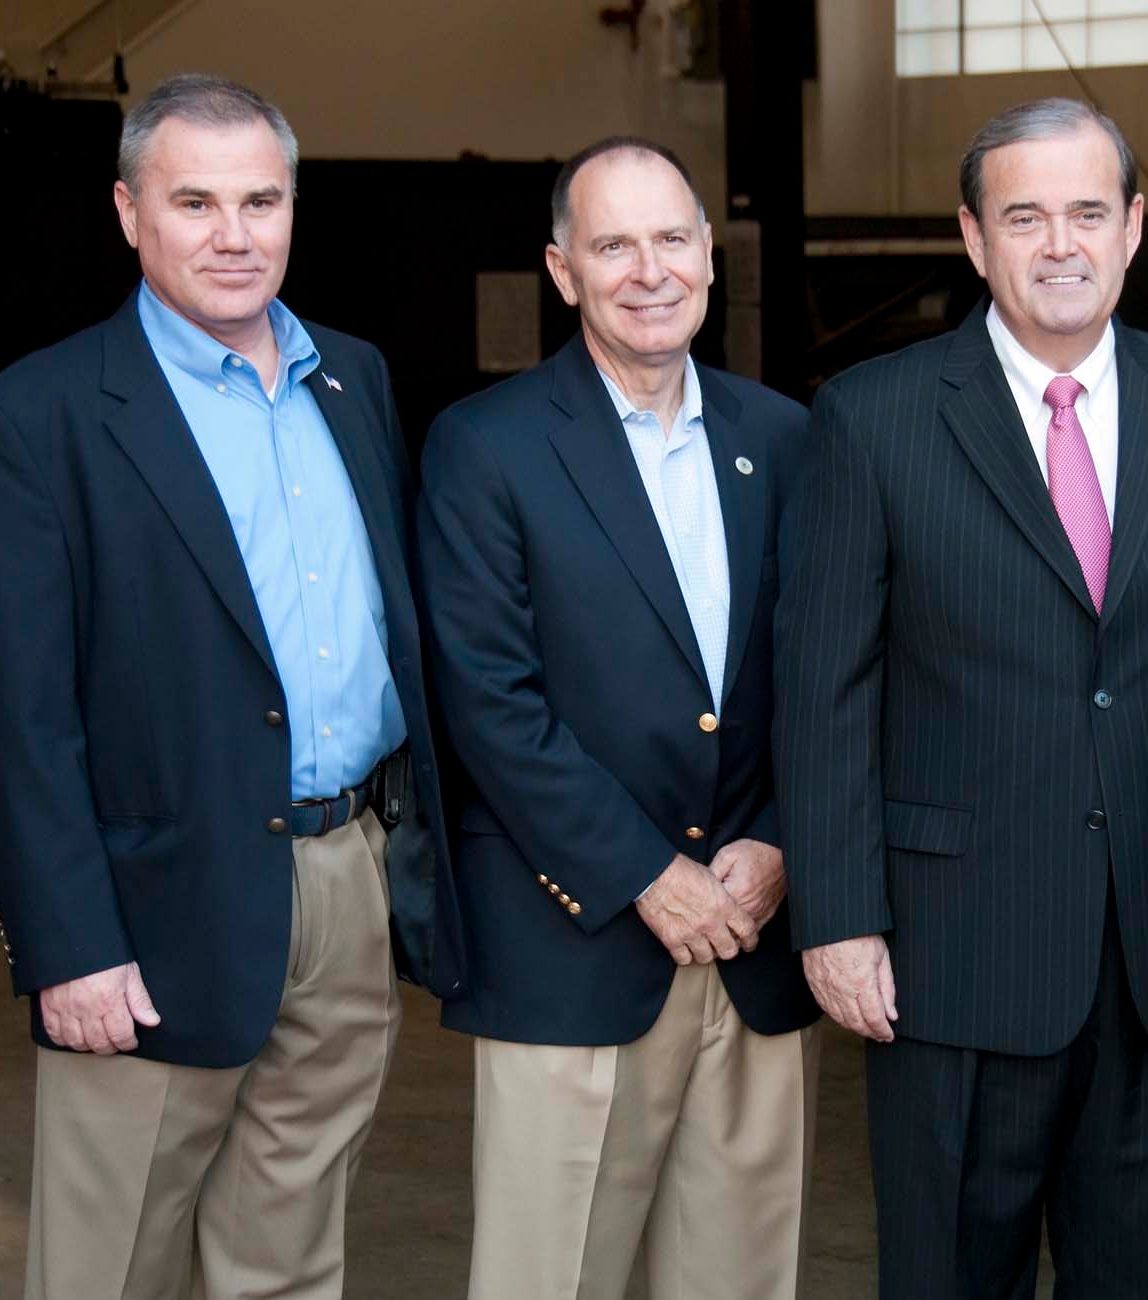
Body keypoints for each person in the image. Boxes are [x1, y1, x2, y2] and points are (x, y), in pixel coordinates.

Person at [775, 97, 1148, 1300]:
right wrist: (835, 912)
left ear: (1135, 229)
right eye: (1023, 216)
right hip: (948, 954)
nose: (1059, 244)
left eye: (1087, 211)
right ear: (974, 239)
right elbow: (824, 688)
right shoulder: (871, 417)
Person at [0, 73, 461, 1300]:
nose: (235, 235)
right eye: (195, 201)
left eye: (261, 200)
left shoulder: (355, 375)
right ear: (130, 213)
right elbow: (17, 716)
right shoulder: (37, 417)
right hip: (152, 904)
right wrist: (68, 945)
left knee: (290, 1246)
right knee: (109, 1258)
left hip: (347, 877)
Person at [414, 135, 821, 1300]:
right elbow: (487, 699)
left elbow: (830, 671)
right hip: (575, 938)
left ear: (706, 254)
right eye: (612, 244)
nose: (647, 270)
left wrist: (785, 840)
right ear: (562, 269)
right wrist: (646, 872)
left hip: (753, 933)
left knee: (739, 1274)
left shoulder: (784, 438)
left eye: (670, 238)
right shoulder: (484, 446)